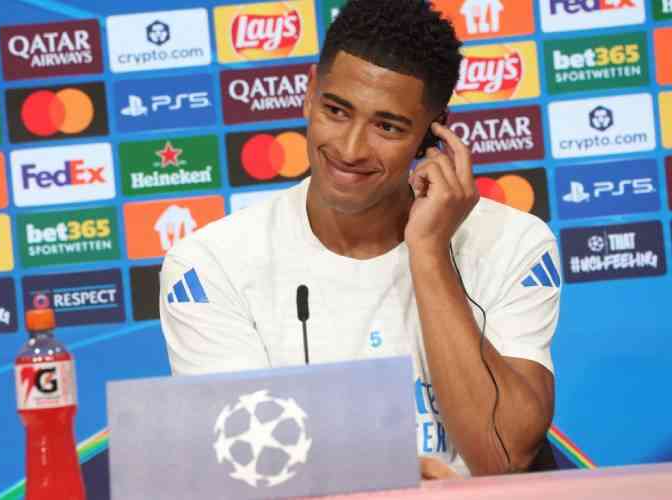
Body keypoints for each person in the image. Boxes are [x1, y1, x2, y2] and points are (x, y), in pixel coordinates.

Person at [159, 0, 560, 479]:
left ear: (433, 133)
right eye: (336, 110)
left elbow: (503, 456)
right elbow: (244, 471)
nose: (350, 150)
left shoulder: (512, 242)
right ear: (309, 93)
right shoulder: (210, 265)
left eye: (387, 126)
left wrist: (429, 253)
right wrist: (392, 480)